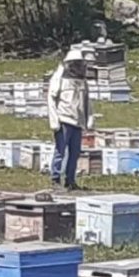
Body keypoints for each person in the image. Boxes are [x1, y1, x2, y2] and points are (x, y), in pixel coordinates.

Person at [47, 49, 93, 190]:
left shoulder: (82, 81)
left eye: (80, 64)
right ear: (70, 64)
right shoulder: (59, 78)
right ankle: (55, 179)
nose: (79, 67)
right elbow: (51, 99)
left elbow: (87, 102)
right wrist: (54, 120)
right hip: (64, 120)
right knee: (60, 151)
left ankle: (70, 180)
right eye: (76, 64)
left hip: (78, 122)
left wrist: (89, 119)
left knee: (75, 153)